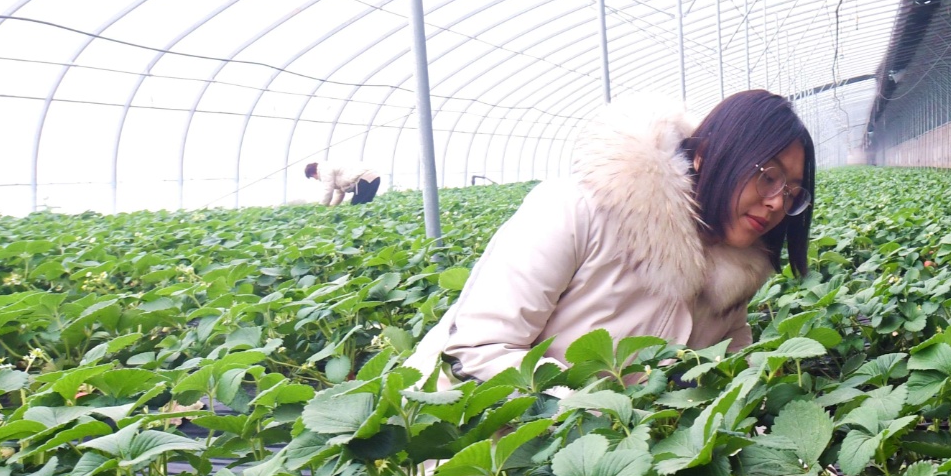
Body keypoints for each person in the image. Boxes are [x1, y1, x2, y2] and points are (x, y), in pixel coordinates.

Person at [407, 91, 814, 381]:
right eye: (769, 177)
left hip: (608, 464)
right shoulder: (577, 208)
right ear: (708, 155)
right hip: (458, 450)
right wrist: (604, 414)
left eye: (792, 191)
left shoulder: (735, 268)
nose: (778, 203)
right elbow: (477, 351)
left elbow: (730, 372)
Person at [306, 161, 382, 206]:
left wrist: (321, 207)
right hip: (374, 178)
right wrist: (332, 206)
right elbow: (340, 193)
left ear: (313, 173)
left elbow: (328, 190)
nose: (316, 179)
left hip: (366, 178)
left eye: (313, 177)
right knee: (364, 206)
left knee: (356, 207)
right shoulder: (331, 170)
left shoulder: (323, 170)